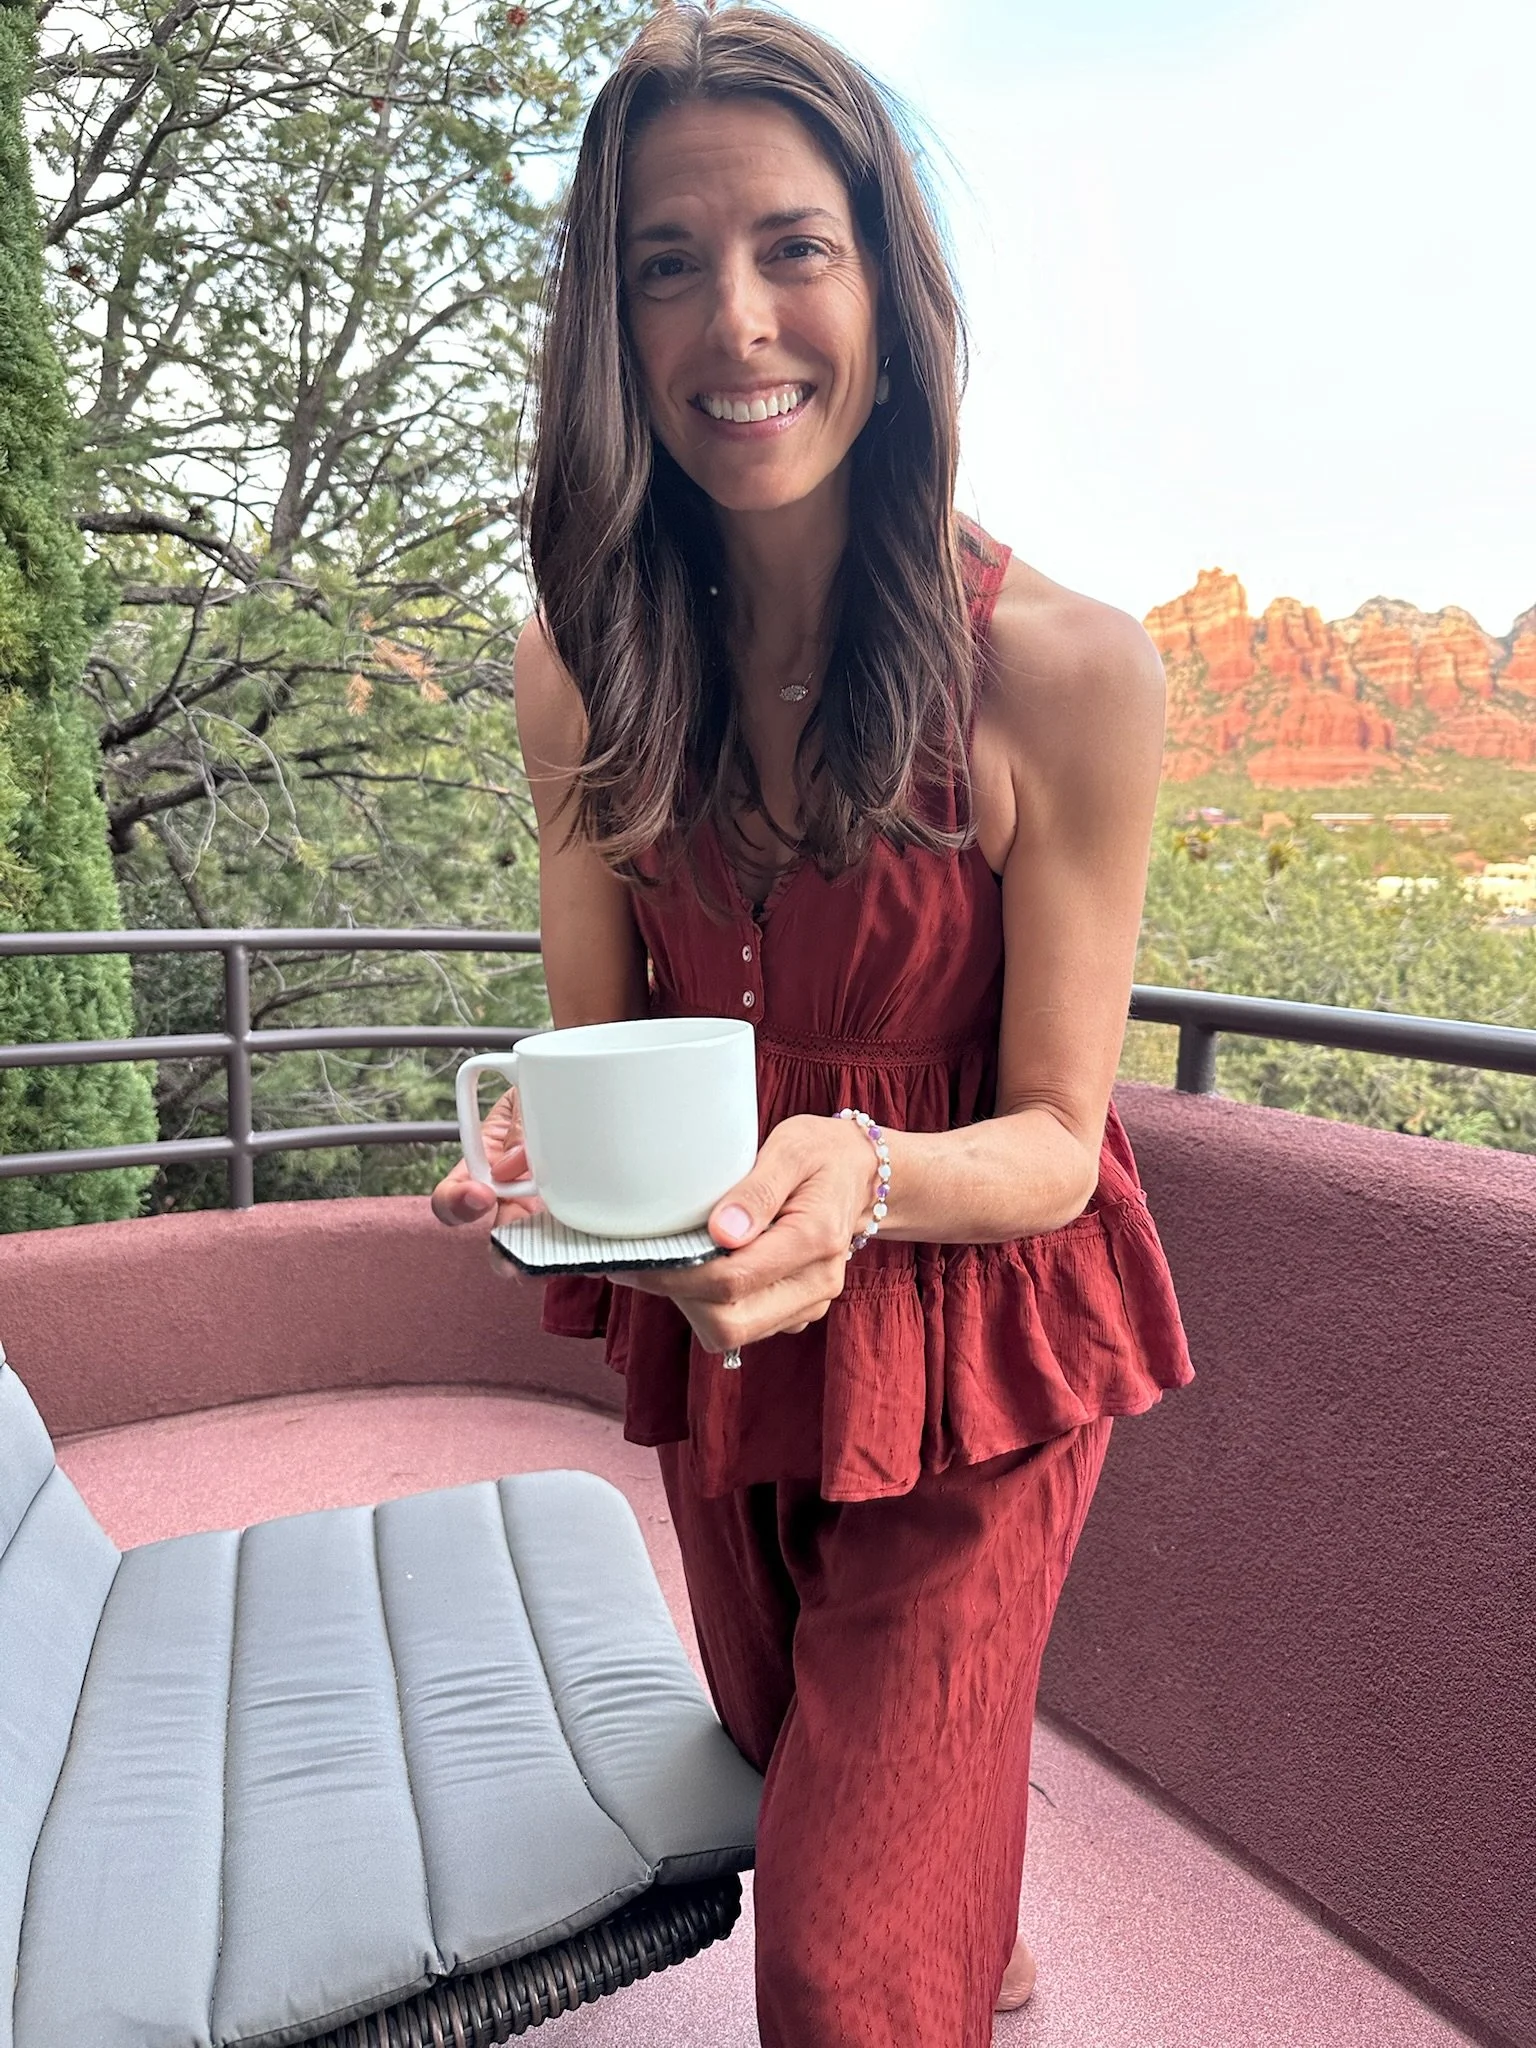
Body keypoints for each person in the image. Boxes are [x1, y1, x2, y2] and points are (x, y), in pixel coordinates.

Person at [432, 8, 1194, 2043]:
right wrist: (527, 1168)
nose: (734, 320)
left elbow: (1055, 1134)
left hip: (981, 1329)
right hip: (723, 1323)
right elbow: (588, 1037)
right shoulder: (578, 667)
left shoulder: (1064, 671)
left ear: (884, 278)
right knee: (805, 1773)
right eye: (664, 263)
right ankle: (979, 1914)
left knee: (846, 1973)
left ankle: (936, 1936)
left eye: (790, 245)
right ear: (610, 318)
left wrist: (855, 1168)